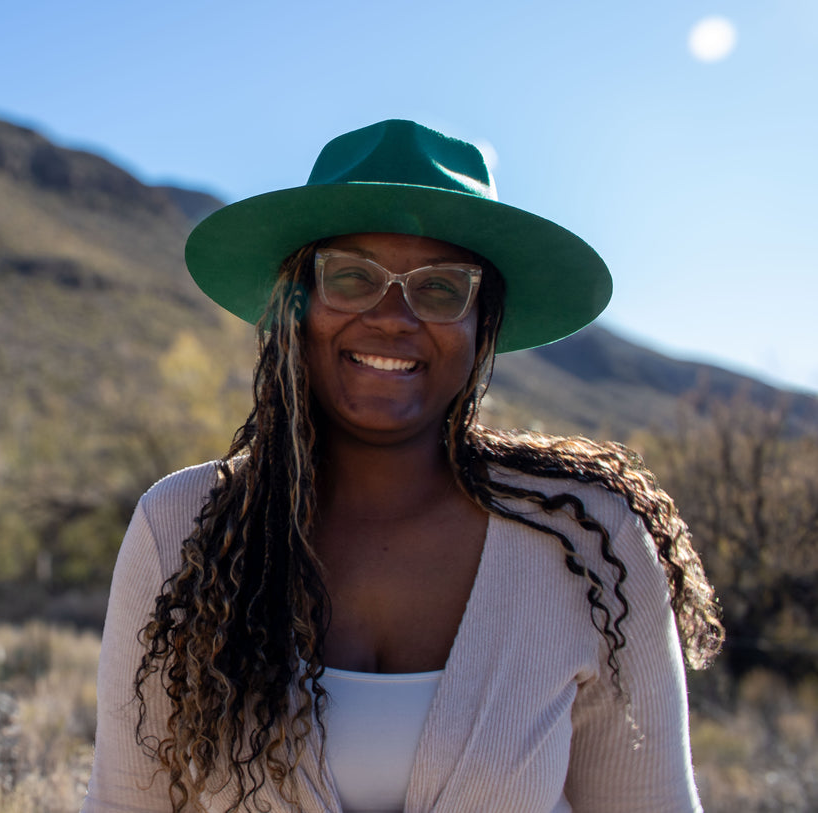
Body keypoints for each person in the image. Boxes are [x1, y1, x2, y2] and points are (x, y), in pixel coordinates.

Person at [81, 120, 723, 812]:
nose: (393, 317)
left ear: (483, 326)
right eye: (351, 278)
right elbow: (126, 801)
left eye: (441, 288)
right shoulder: (181, 526)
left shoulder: (585, 542)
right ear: (293, 308)